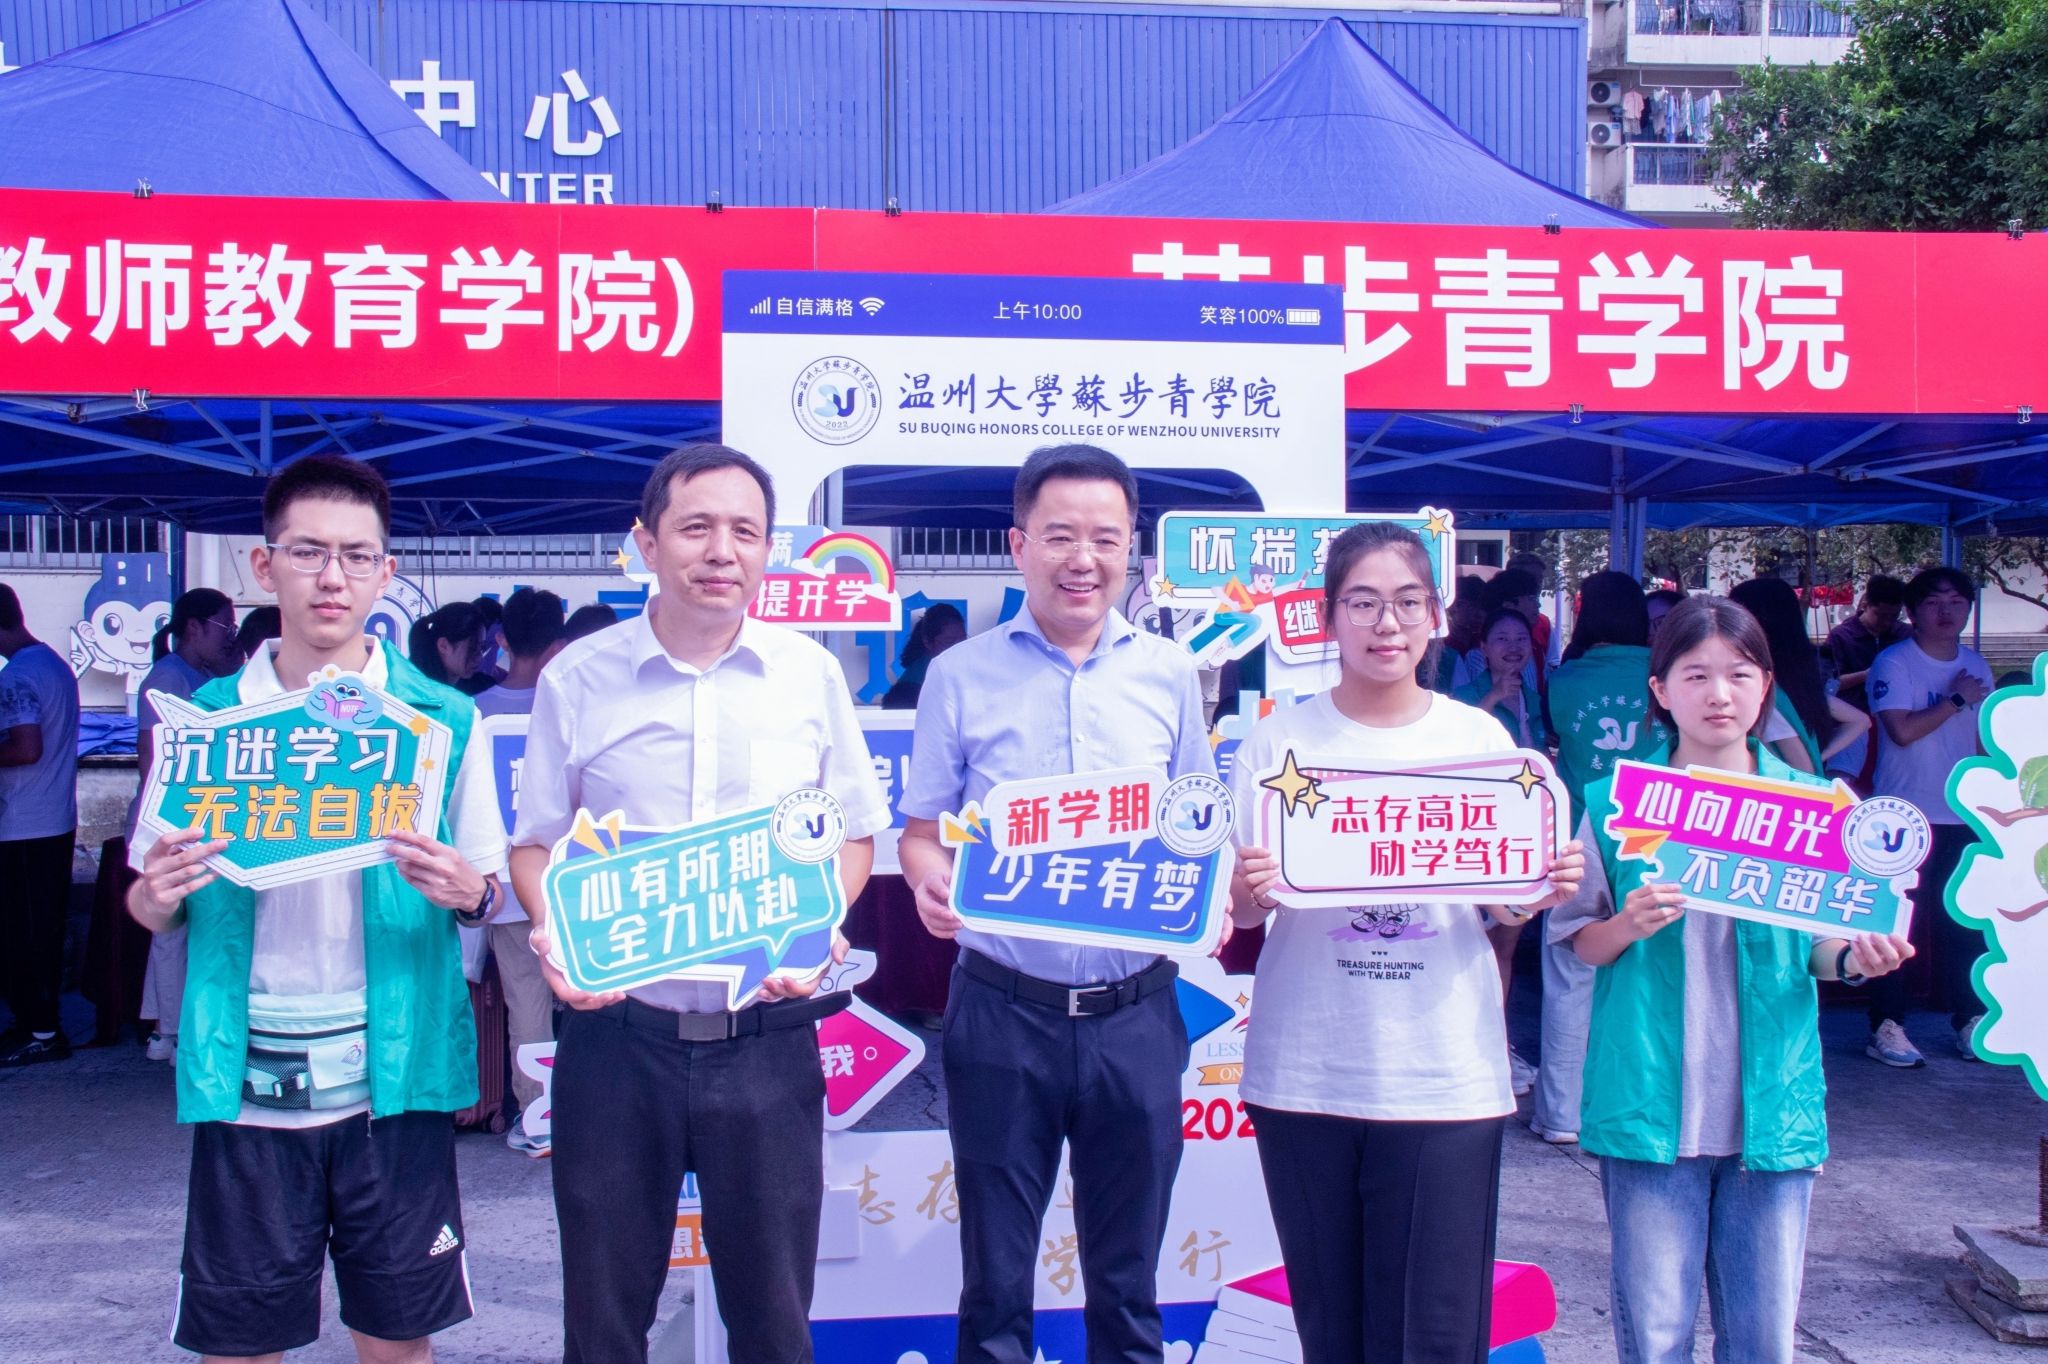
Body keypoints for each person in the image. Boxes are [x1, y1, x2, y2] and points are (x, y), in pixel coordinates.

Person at [509, 445, 889, 1364]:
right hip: (617, 1041)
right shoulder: (578, 679)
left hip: (765, 1042)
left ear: (767, 549)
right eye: (696, 528)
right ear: (647, 543)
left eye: (745, 532)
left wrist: (821, 927)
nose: (722, 551)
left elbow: (851, 837)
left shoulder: (808, 675)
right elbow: (535, 846)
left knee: (774, 1324)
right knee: (604, 1326)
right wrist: (554, 930)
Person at [124, 454, 507, 1362]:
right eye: (307, 552)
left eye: (356, 555)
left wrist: (472, 894)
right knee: (240, 1341)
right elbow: (150, 900)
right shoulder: (208, 723)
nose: (332, 576)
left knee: (397, 1338)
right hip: (248, 1081)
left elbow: (489, 892)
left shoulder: (441, 721)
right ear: (265, 566)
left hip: (395, 1077)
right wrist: (154, 898)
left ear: (385, 571)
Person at [1228, 523, 1583, 1362]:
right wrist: (1246, 892)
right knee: (1331, 1333)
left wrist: (1539, 890)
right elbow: (1240, 919)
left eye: (1406, 602)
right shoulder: (1279, 743)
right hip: (1306, 1073)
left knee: (1434, 1336)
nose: (1386, 624)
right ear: (1328, 617)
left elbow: (1503, 912)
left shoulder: (1481, 745)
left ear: (1436, 617)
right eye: (1362, 603)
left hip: (1445, 1076)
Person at [897, 444, 1217, 1364]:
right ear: (1019, 544)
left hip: (1136, 1014)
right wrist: (927, 878)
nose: (1084, 559)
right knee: (996, 1282)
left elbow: (1196, 823)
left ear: (1131, 551)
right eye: (1061, 536)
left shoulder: (1169, 673)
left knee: (1129, 1281)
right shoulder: (960, 675)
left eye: (1106, 539)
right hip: (1004, 1012)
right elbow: (922, 832)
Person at [1558, 595, 1914, 1364]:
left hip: (1772, 1107)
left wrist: (1857, 959)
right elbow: (1581, 942)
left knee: (1762, 1340)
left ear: (1766, 688)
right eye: (1696, 675)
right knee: (1655, 1337)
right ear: (1661, 690)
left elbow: (1822, 950)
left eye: (1739, 674)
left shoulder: (1812, 809)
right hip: (1649, 1103)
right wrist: (1629, 924)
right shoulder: (1615, 804)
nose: (1719, 694)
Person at [1531, 570, 1660, 1147]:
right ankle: (1634, 1105)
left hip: (1578, 837)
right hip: (1654, 836)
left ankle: (1561, 1114)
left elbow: (1554, 737)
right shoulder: (1662, 675)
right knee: (1649, 980)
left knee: (1569, 976)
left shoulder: (1565, 679)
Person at [1863, 566, 1994, 1068]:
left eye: (1957, 602)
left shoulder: (1976, 664)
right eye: (1935, 602)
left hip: (1960, 813)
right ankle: (1886, 1024)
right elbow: (1901, 731)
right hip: (1902, 815)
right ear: (1913, 612)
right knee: (1895, 922)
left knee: (1962, 921)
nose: (1946, 612)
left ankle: (1969, 1019)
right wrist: (1956, 698)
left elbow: (1980, 743)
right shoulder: (1894, 662)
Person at [128, 588, 242, 1063]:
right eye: (224, 626)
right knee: (171, 932)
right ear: (193, 627)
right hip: (173, 824)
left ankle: (169, 1028)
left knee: (185, 931)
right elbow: (152, 758)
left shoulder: (201, 676)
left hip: (198, 818)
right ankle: (172, 1033)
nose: (231, 636)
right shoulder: (168, 678)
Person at [472, 588, 567, 1157]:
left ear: (502, 639)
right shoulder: (572, 704)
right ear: (558, 645)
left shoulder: (474, 712)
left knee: (526, 1003)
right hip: (576, 881)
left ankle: (540, 1118)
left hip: (504, 887)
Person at [1454, 604, 1550, 1096]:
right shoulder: (1462, 700)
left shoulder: (1536, 698)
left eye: (1520, 639)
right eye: (1501, 639)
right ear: (1482, 649)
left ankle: (1497, 1038)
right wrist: (1493, 698)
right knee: (1468, 942)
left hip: (1519, 834)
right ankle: (1462, 1040)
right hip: (1472, 833)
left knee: (1507, 945)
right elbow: (1454, 754)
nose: (1513, 648)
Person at [0, 583, 83, 1068]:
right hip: (53, 817)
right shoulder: (53, 664)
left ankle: (42, 1031)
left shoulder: (18, 675)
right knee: (41, 929)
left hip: (22, 825)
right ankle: (35, 1025)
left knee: (23, 934)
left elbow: (26, 747)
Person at [1728, 577, 1869, 777]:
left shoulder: (1767, 698)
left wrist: (1813, 760)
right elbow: (1860, 721)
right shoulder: (1795, 687)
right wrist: (1817, 757)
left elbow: (1803, 769)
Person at [1823, 574, 1908, 714]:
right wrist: (1865, 675)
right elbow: (1829, 684)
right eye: (1880, 615)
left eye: (1894, 616)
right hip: (1855, 715)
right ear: (1865, 605)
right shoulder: (1841, 636)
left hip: (1897, 713)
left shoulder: (1905, 634)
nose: (1887, 622)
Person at [881, 601, 966, 709]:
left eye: (963, 640)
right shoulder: (910, 686)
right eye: (949, 642)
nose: (958, 647)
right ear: (927, 642)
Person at [1425, 573, 1488, 694]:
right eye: (1473, 606)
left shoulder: (1484, 645)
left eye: (1484, 608)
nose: (1480, 614)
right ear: (1455, 606)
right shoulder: (1440, 648)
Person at [407, 602, 488, 691]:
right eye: (472, 648)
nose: (479, 658)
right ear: (443, 646)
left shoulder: (480, 688)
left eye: (482, 648)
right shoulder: (416, 688)